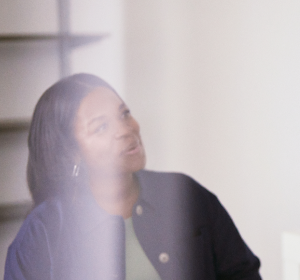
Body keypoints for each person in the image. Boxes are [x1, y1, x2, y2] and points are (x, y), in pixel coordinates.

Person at [4, 73, 261, 280]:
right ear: (72, 153)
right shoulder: (44, 232)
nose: (125, 130)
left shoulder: (184, 194)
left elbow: (243, 273)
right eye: (101, 127)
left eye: (124, 114)